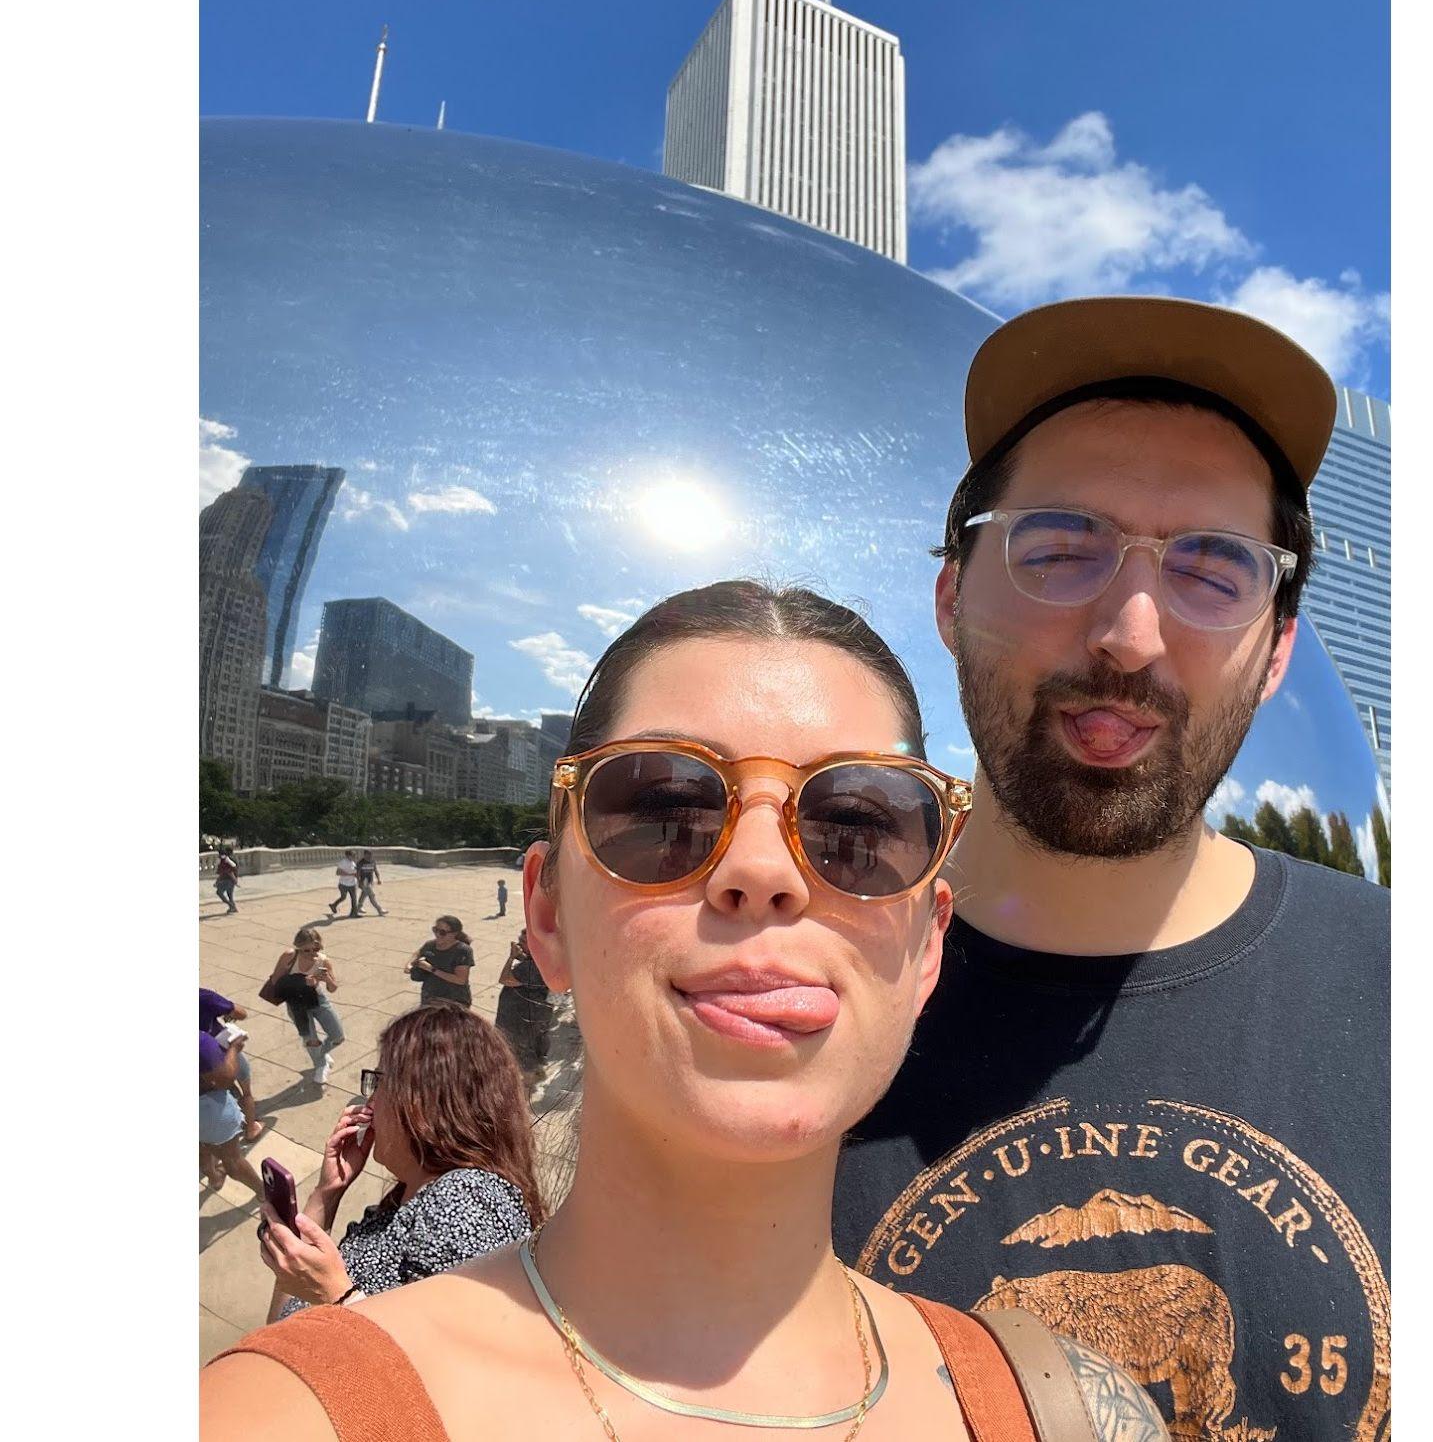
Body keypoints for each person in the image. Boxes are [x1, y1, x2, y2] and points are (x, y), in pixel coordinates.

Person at [204, 582, 1166, 1441]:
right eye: (667, 812)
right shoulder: (283, 1414)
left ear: (927, 948)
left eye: (857, 827)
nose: (762, 870)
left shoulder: (1060, 1413)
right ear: (547, 915)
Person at [831, 298, 1391, 1442]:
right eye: (1058, 547)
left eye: (1213, 569)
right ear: (949, 595)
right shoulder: (783, 998)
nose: (1129, 633)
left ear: (1277, 646)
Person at [257, 1005, 541, 1324]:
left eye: (378, 1082)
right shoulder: (416, 1197)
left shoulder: (464, 1203)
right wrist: (327, 1193)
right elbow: (281, 1321)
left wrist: (335, 1295)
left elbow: (441, 1360)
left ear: (419, 1101)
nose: (369, 1101)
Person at [265, 927, 346, 1086]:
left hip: (318, 999)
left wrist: (326, 979)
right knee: (311, 1039)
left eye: (315, 949)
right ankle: (320, 1065)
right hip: (296, 1003)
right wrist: (302, 981)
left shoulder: (323, 961)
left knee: (338, 1035)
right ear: (297, 948)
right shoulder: (289, 956)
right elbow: (275, 980)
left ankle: (321, 1055)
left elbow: (333, 988)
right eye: (305, 950)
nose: (311, 953)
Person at [200, 1027, 264, 1199]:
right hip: (208, 1110)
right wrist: (234, 1049)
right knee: (232, 1158)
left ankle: (214, 1177)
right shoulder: (200, 1041)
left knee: (200, 1150)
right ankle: (263, 1192)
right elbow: (224, 1079)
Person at [200, 987, 264, 1144]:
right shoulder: (203, 996)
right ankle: (251, 1128)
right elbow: (240, 1013)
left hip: (202, 1068)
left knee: (223, 1094)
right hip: (225, 1050)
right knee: (246, 1091)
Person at [494, 930, 553, 1078]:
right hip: (537, 1014)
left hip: (520, 1017)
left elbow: (505, 979)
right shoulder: (545, 960)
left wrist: (511, 957)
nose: (520, 944)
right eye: (519, 940)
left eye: (524, 942)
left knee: (521, 1050)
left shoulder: (528, 968)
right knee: (534, 1044)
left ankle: (527, 1082)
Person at [407, 915, 475, 1008]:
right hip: (430, 997)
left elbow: (460, 980)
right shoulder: (430, 944)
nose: (437, 934)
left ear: (454, 934)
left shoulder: (462, 951)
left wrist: (431, 969)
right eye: (435, 930)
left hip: (453, 1000)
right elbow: (418, 953)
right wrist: (409, 965)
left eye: (442, 932)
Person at [354, 848, 385, 917]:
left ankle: (358, 908)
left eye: (371, 855)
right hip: (363, 882)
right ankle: (379, 909)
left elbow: (375, 870)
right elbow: (357, 873)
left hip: (370, 881)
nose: (370, 856)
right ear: (365, 855)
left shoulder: (373, 861)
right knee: (372, 895)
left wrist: (378, 879)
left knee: (364, 894)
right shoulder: (360, 862)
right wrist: (359, 882)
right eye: (368, 855)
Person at [328, 850, 359, 916]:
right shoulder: (343, 862)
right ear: (348, 856)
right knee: (343, 897)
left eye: (354, 855)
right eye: (352, 855)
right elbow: (338, 872)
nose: (354, 856)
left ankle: (354, 913)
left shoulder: (353, 863)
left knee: (354, 898)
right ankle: (334, 905)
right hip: (343, 884)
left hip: (352, 884)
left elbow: (355, 873)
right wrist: (350, 874)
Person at [214, 849, 240, 915]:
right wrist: (235, 880)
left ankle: (231, 905)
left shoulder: (224, 861)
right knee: (229, 895)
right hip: (231, 880)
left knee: (219, 892)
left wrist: (217, 881)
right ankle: (233, 908)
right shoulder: (230, 860)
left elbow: (226, 872)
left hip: (228, 880)